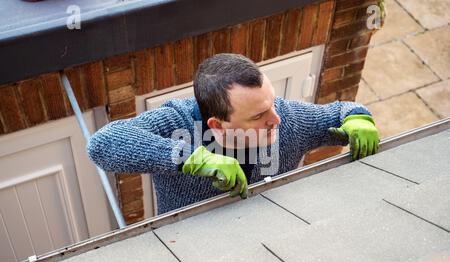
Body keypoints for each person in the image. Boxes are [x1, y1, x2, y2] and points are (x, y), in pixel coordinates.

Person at [86, 53, 380, 215]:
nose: (275, 119)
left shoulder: (287, 119)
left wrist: (359, 118)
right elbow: (102, 144)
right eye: (258, 116)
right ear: (217, 125)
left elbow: (342, 112)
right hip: (189, 253)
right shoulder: (178, 124)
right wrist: (192, 158)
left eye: (272, 103)